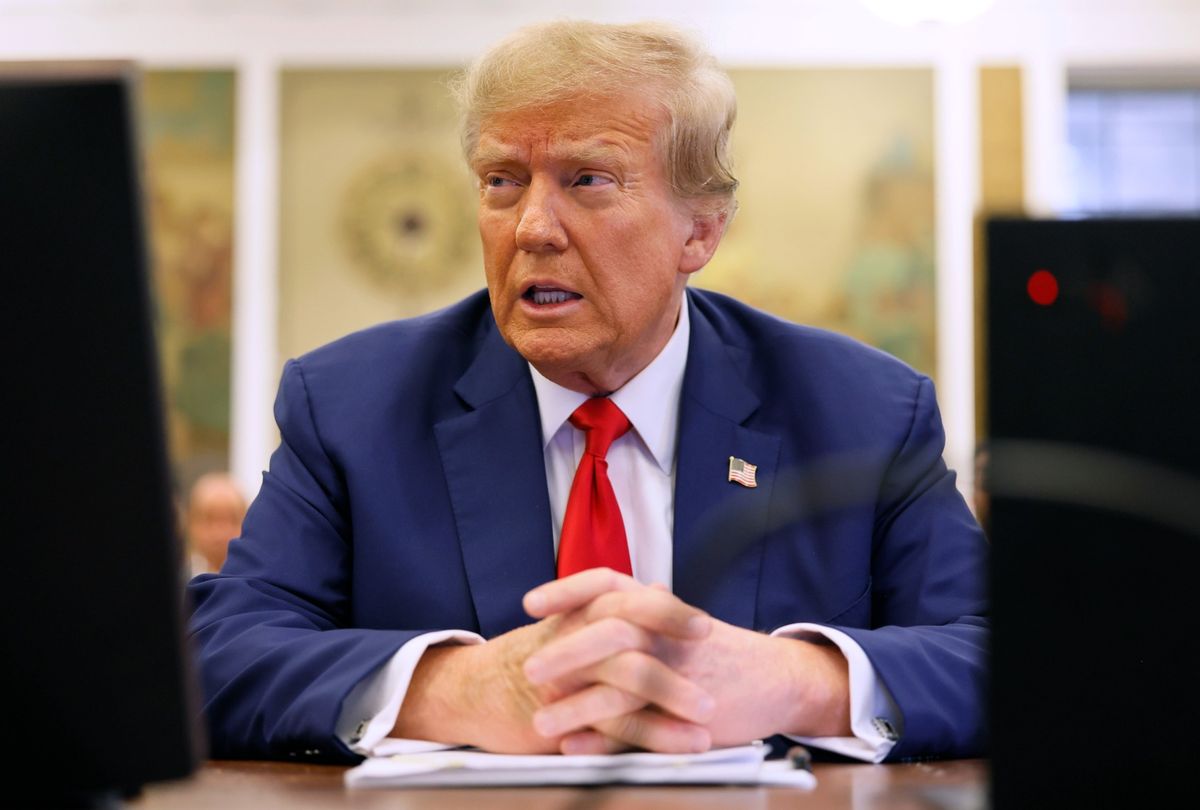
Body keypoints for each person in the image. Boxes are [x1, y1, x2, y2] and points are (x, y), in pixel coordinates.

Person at [189, 20, 987, 765]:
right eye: (502, 181)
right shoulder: (352, 407)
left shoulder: (863, 414)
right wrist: (455, 690)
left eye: (588, 179)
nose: (532, 226)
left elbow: (1003, 653)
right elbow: (216, 653)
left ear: (700, 230)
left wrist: (794, 679)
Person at [185, 471, 247, 575]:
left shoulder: (261, 585)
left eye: (232, 520)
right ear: (191, 523)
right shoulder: (175, 582)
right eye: (209, 519)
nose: (220, 533)